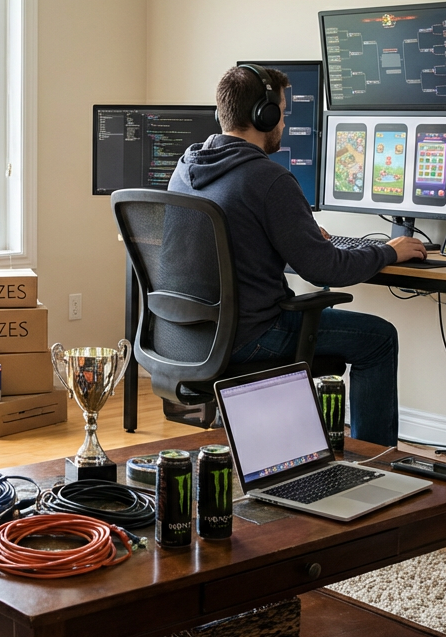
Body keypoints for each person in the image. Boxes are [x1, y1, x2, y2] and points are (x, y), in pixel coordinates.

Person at [167, 65, 426, 445]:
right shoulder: (269, 179)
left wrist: (299, 237)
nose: (284, 122)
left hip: (189, 336)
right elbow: (326, 268)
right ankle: (378, 459)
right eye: (283, 112)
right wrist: (387, 251)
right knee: (379, 339)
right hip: (252, 334)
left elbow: (237, 239)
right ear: (264, 115)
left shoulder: (187, 167)